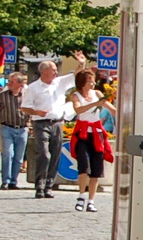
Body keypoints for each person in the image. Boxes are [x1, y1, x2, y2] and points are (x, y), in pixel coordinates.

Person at [21, 57, 77, 199]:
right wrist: (36, 112)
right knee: (44, 154)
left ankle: (49, 186)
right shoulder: (33, 88)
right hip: (41, 123)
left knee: (55, 154)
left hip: (57, 122)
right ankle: (40, 185)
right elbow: (24, 107)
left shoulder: (59, 83)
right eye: (53, 70)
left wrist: (81, 63)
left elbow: (76, 75)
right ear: (44, 71)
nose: (56, 72)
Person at [63, 69, 113, 213]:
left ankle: (91, 200)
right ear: (82, 83)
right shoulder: (76, 95)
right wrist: (95, 104)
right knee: (83, 166)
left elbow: (110, 108)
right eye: (90, 81)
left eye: (93, 80)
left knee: (97, 169)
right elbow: (78, 110)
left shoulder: (97, 93)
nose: (93, 83)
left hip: (96, 133)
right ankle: (81, 196)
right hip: (83, 133)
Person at [1, 71, 30, 190]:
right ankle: (5, 181)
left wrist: (29, 124)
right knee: (8, 154)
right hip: (7, 128)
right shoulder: (3, 96)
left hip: (22, 129)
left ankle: (14, 181)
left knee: (19, 157)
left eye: (12, 82)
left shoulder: (26, 96)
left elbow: (31, 109)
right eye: (9, 81)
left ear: (20, 84)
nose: (9, 84)